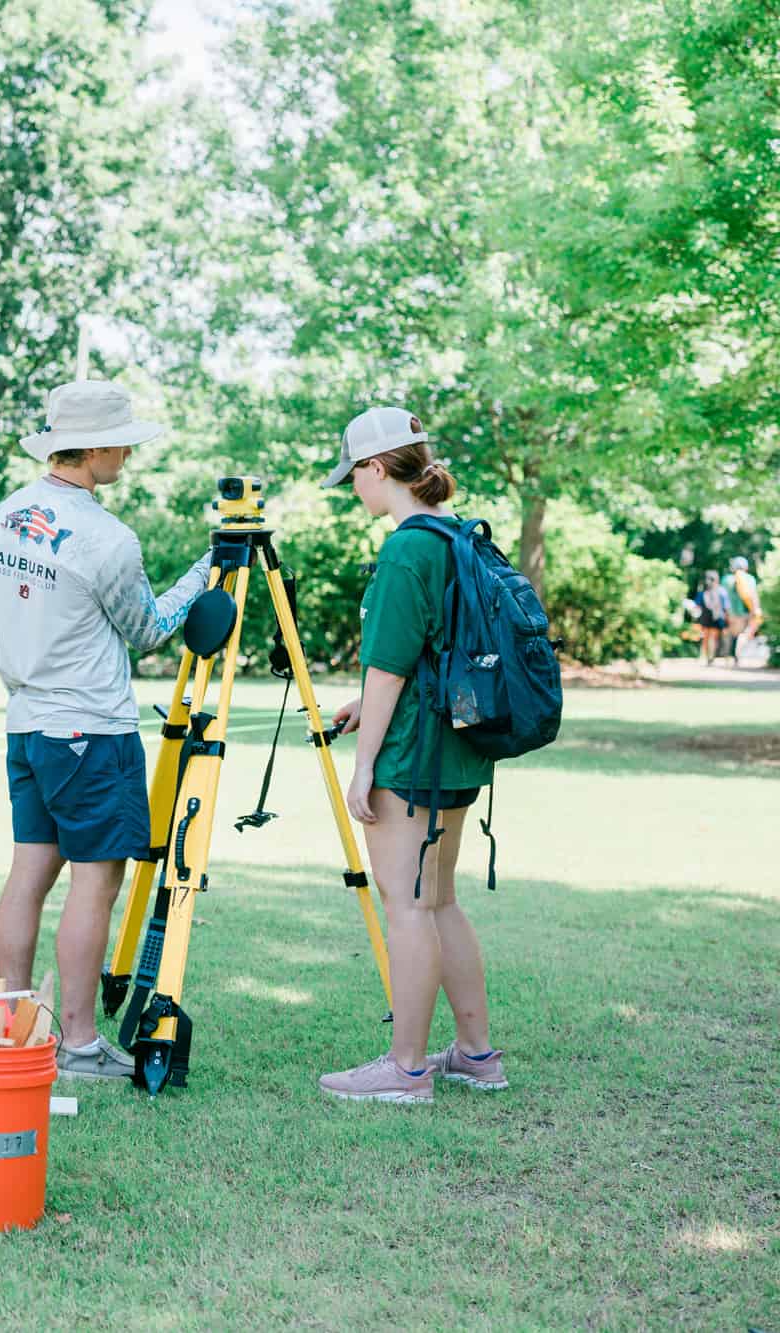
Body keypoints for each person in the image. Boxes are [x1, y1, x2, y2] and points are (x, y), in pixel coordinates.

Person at [0, 377, 211, 1081]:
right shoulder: (107, 538)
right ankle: (77, 1043)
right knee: (94, 884)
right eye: (125, 444)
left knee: (29, 873)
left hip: (28, 725)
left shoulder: (6, 514)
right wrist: (207, 571)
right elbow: (147, 629)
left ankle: (15, 1025)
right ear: (101, 446)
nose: (129, 456)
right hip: (91, 729)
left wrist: (28, 684)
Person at [321, 407, 504, 1105]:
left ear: (376, 468)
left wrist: (364, 765)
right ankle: (478, 1055)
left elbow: (390, 665)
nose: (353, 490)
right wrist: (367, 702)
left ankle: (406, 1069)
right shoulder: (454, 535)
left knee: (407, 904)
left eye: (354, 476)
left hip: (412, 757)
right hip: (459, 748)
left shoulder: (405, 547)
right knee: (441, 900)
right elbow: (435, 647)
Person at [725, 555, 764, 665]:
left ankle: (730, 655)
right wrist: (756, 610)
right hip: (745, 612)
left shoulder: (726, 579)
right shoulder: (750, 578)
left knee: (732, 634)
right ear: (745, 567)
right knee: (743, 634)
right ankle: (736, 656)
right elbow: (753, 596)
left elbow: (724, 597)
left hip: (731, 612)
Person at [697, 571, 730, 664]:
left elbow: (697, 606)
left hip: (705, 617)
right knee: (713, 638)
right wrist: (727, 620)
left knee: (706, 637)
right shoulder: (722, 592)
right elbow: (726, 607)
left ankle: (706, 657)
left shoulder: (703, 592)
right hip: (717, 617)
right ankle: (711, 657)